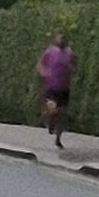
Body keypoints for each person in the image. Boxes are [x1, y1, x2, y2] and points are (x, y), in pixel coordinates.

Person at [37, 26, 76, 155]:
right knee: (53, 109)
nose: (62, 40)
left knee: (62, 115)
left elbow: (73, 65)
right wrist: (45, 73)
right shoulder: (49, 51)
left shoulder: (69, 52)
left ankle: (58, 139)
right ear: (55, 39)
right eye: (60, 37)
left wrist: (70, 70)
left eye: (64, 38)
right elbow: (40, 64)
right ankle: (49, 122)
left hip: (64, 87)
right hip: (51, 86)